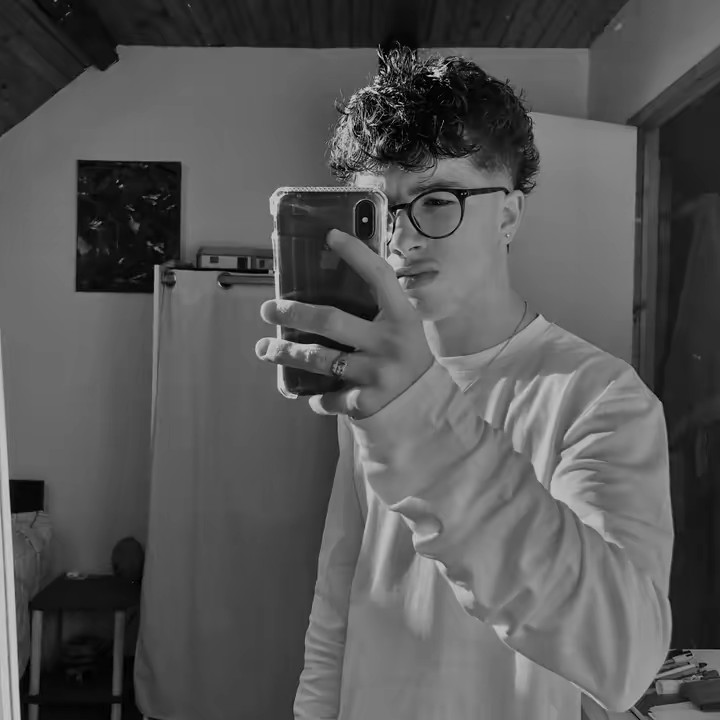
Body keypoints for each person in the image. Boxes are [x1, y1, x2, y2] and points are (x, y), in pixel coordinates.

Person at [255, 46, 673, 720]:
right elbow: (341, 595)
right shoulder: (376, 383)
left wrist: (418, 417)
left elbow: (624, 653)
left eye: (436, 200)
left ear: (508, 216)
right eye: (379, 212)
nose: (401, 240)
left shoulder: (599, 397)